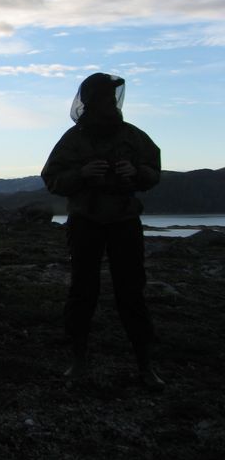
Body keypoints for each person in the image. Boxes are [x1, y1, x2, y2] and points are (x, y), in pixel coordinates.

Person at [41, 72, 164, 390]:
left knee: (132, 292)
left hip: (124, 221)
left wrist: (136, 172)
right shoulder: (73, 139)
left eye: (113, 98)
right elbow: (52, 177)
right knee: (83, 291)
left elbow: (153, 171)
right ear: (91, 102)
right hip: (85, 222)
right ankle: (77, 361)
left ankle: (145, 366)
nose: (111, 104)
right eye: (105, 99)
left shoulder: (133, 136)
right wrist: (81, 173)